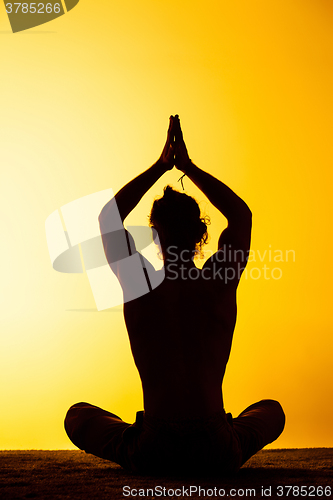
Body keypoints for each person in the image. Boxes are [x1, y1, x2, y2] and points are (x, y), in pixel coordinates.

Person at [65, 115, 285, 475]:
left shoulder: (137, 280)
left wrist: (161, 165)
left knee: (77, 416)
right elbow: (241, 215)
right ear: (201, 235)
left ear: (154, 235)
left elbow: (108, 219)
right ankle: (226, 433)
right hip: (216, 447)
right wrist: (188, 167)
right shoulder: (219, 279)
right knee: (271, 410)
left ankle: (133, 438)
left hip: (153, 447)